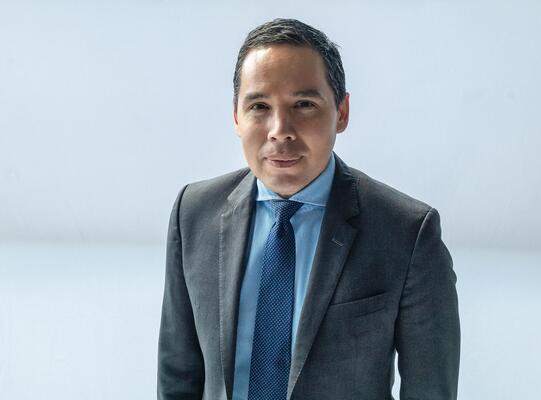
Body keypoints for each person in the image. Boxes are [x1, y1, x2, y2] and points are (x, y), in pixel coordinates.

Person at [157, 18, 460, 400]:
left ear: (342, 112)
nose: (280, 129)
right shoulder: (193, 213)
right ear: (236, 116)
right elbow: (178, 375)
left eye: (304, 104)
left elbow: (430, 390)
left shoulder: (407, 232)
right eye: (259, 106)